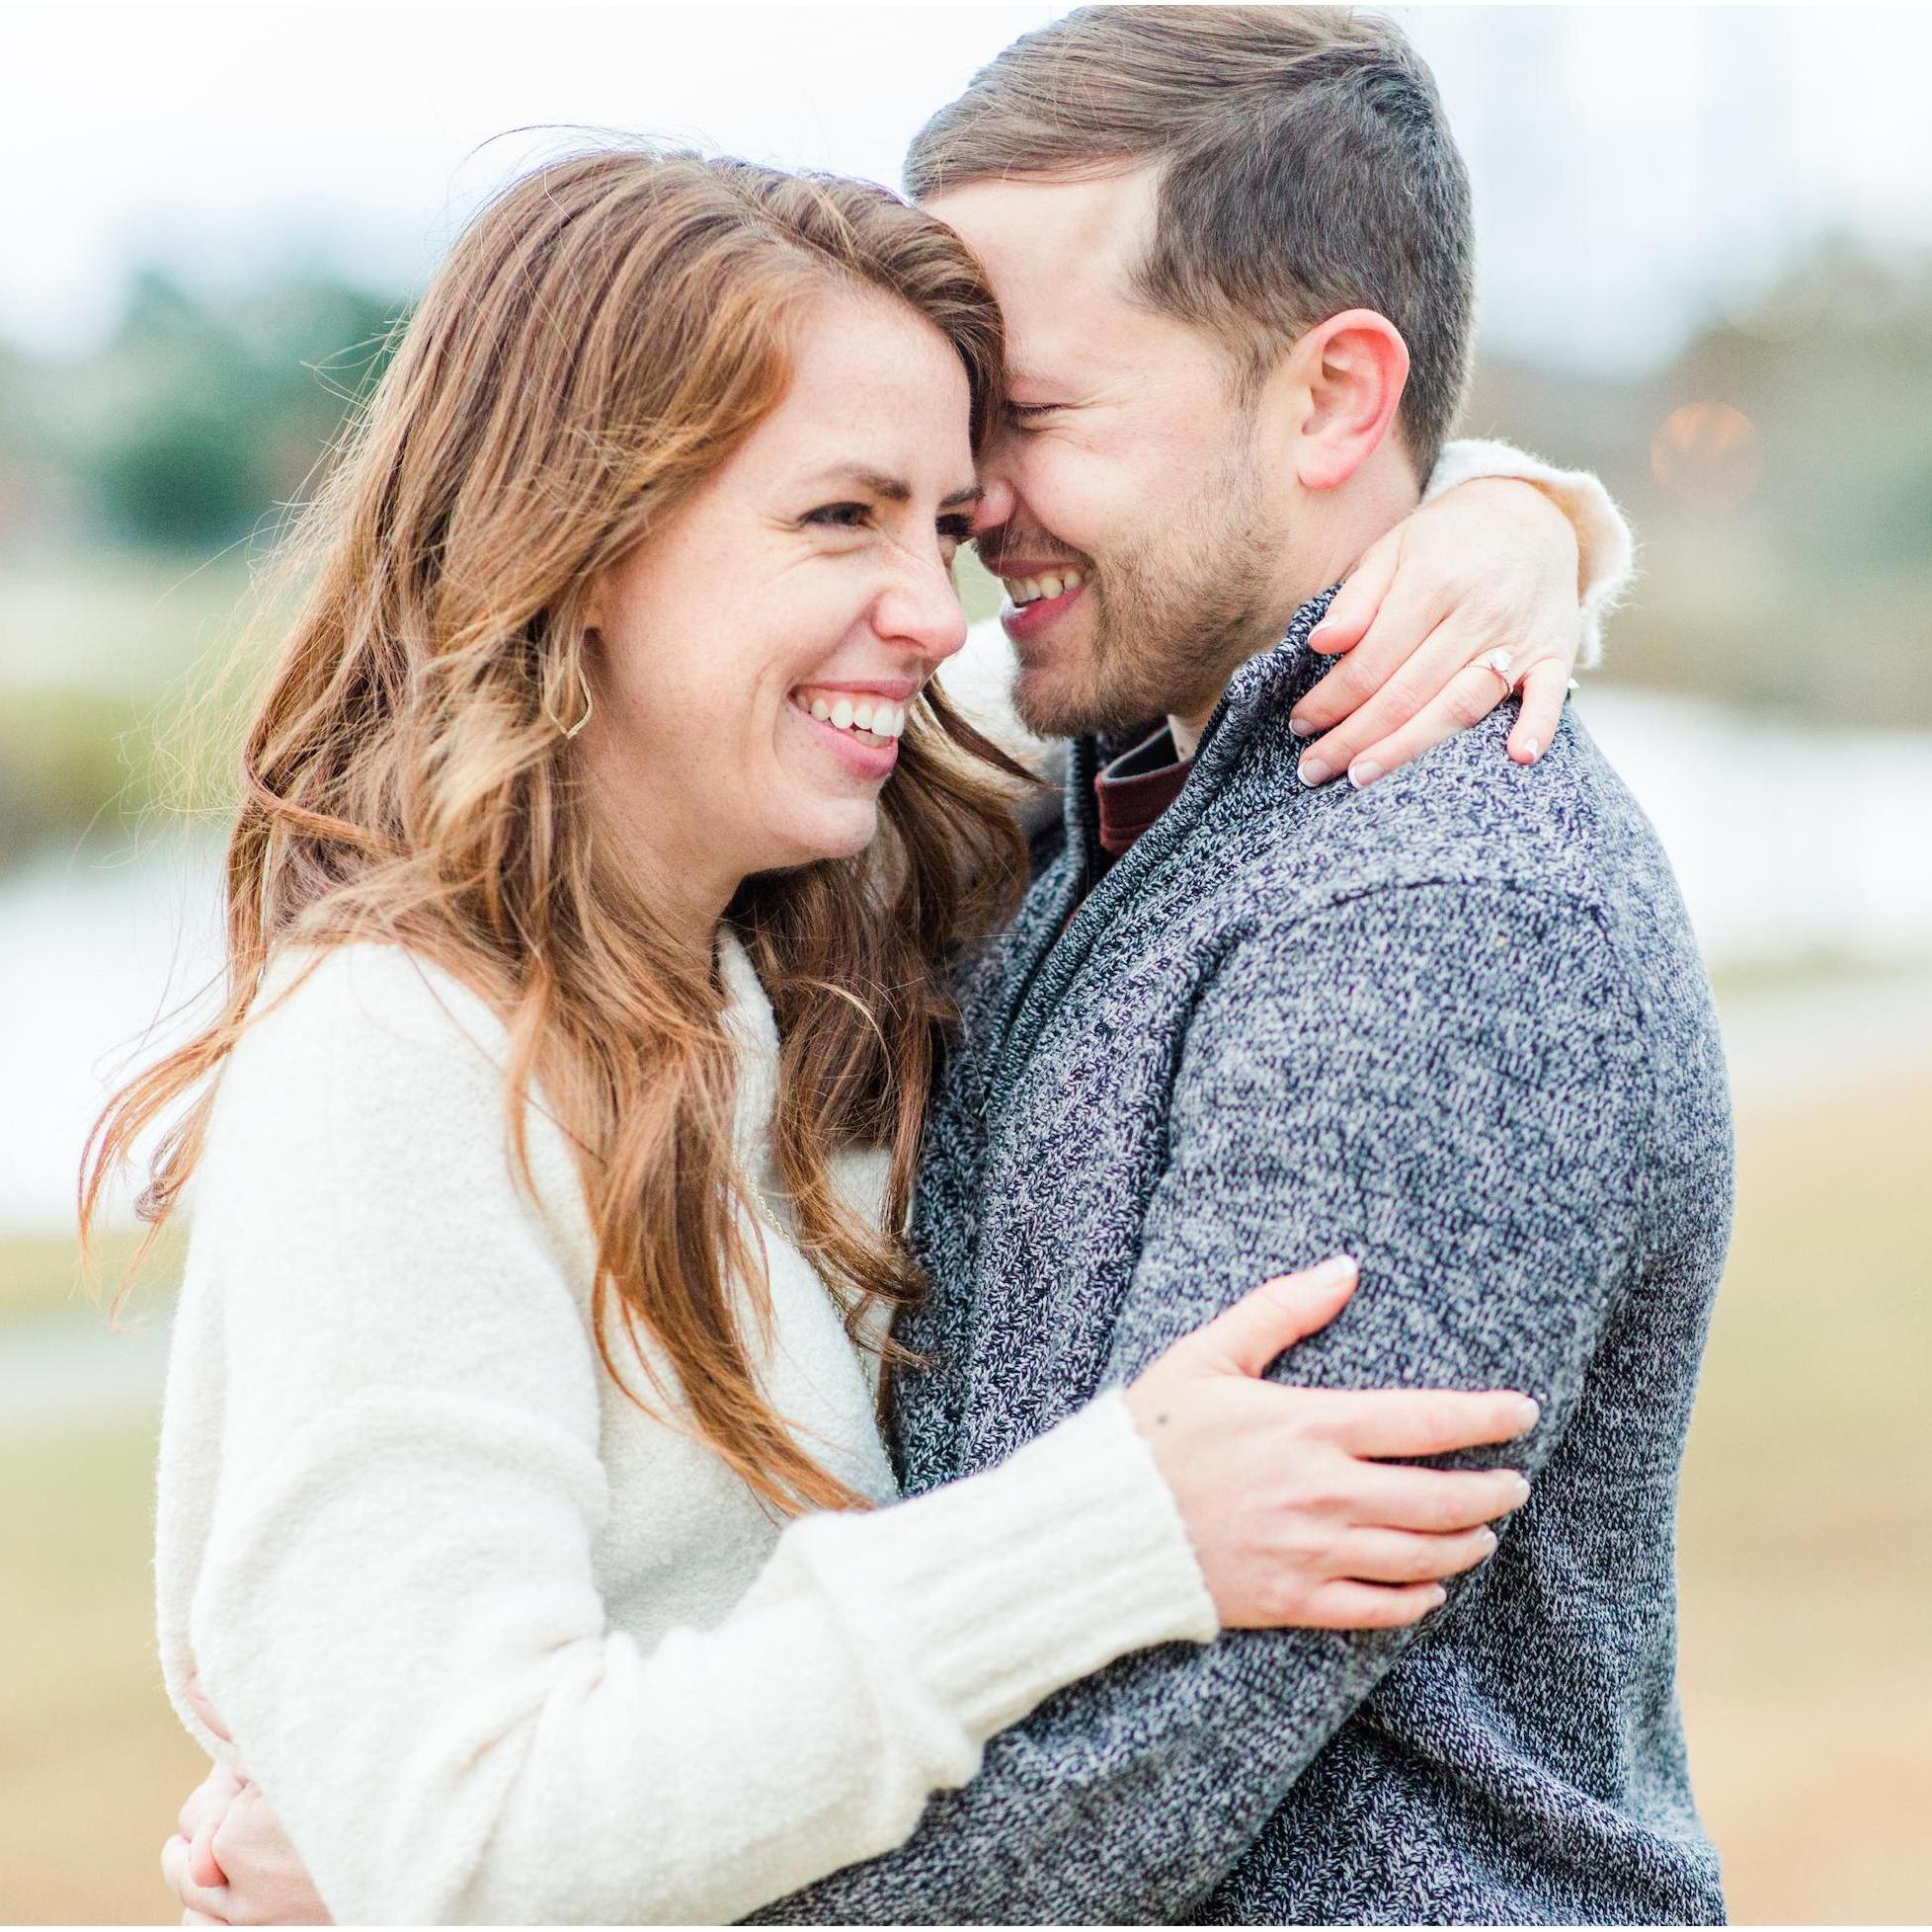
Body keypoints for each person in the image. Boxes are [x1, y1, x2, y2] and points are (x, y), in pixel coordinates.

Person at [115, 139, 1616, 1928]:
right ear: (580, 544)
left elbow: (1265, 578)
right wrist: (1111, 1525)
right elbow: (474, 1842)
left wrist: (1514, 521)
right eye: (845, 517)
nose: (931, 614)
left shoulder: (823, 886)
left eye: (949, 524)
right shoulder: (394, 1056)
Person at [733, 9, 1728, 1925]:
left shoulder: (1434, 918)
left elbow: (1140, 1752)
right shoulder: (1082, 806)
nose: (966, 502)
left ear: (1337, 399)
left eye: (1031, 415)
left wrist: (495, 1881)